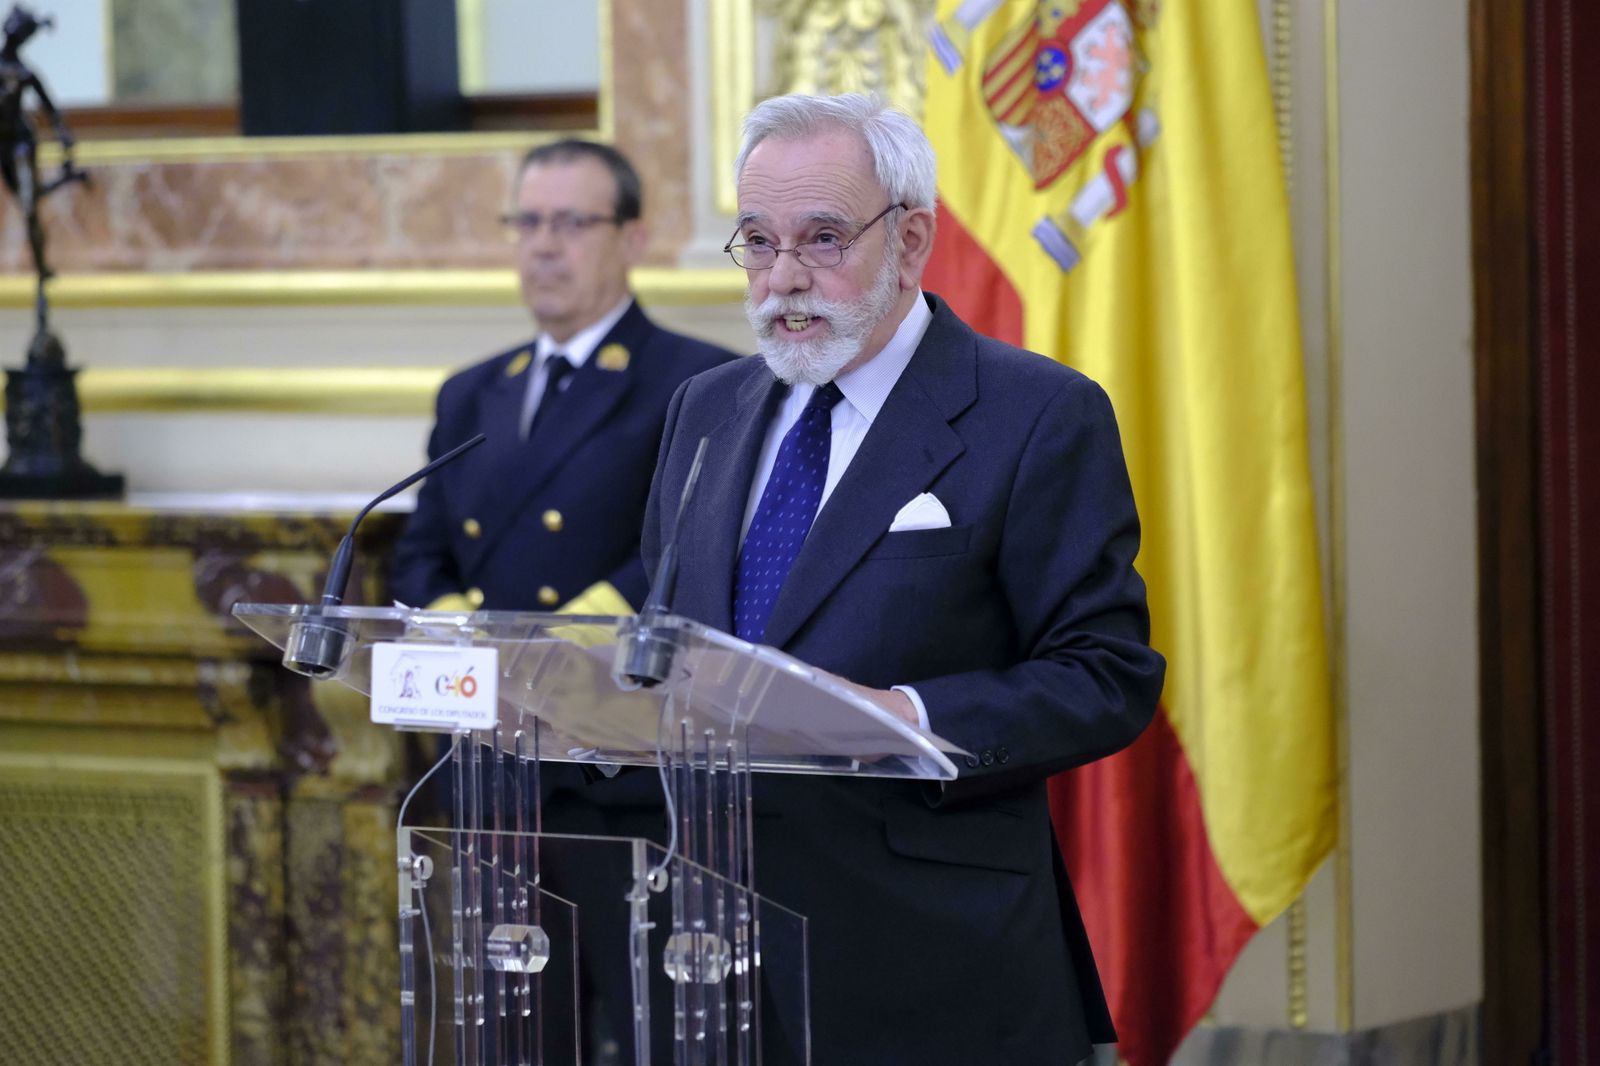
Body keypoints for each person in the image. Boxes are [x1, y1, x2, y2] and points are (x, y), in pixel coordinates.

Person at [639, 93, 1166, 1065]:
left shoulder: (1035, 413)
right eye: (757, 242)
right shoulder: (703, 410)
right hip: (713, 954)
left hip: (932, 962)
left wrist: (903, 718)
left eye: (822, 238)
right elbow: (667, 641)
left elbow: (1105, 675)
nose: (783, 277)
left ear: (911, 239)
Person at [390, 138, 734, 617]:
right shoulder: (468, 393)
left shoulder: (701, 381)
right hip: (479, 658)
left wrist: (562, 640)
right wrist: (465, 633)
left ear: (632, 240)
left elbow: (691, 547)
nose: (544, 246)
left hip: (606, 659)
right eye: (528, 223)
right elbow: (422, 557)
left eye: (573, 223)